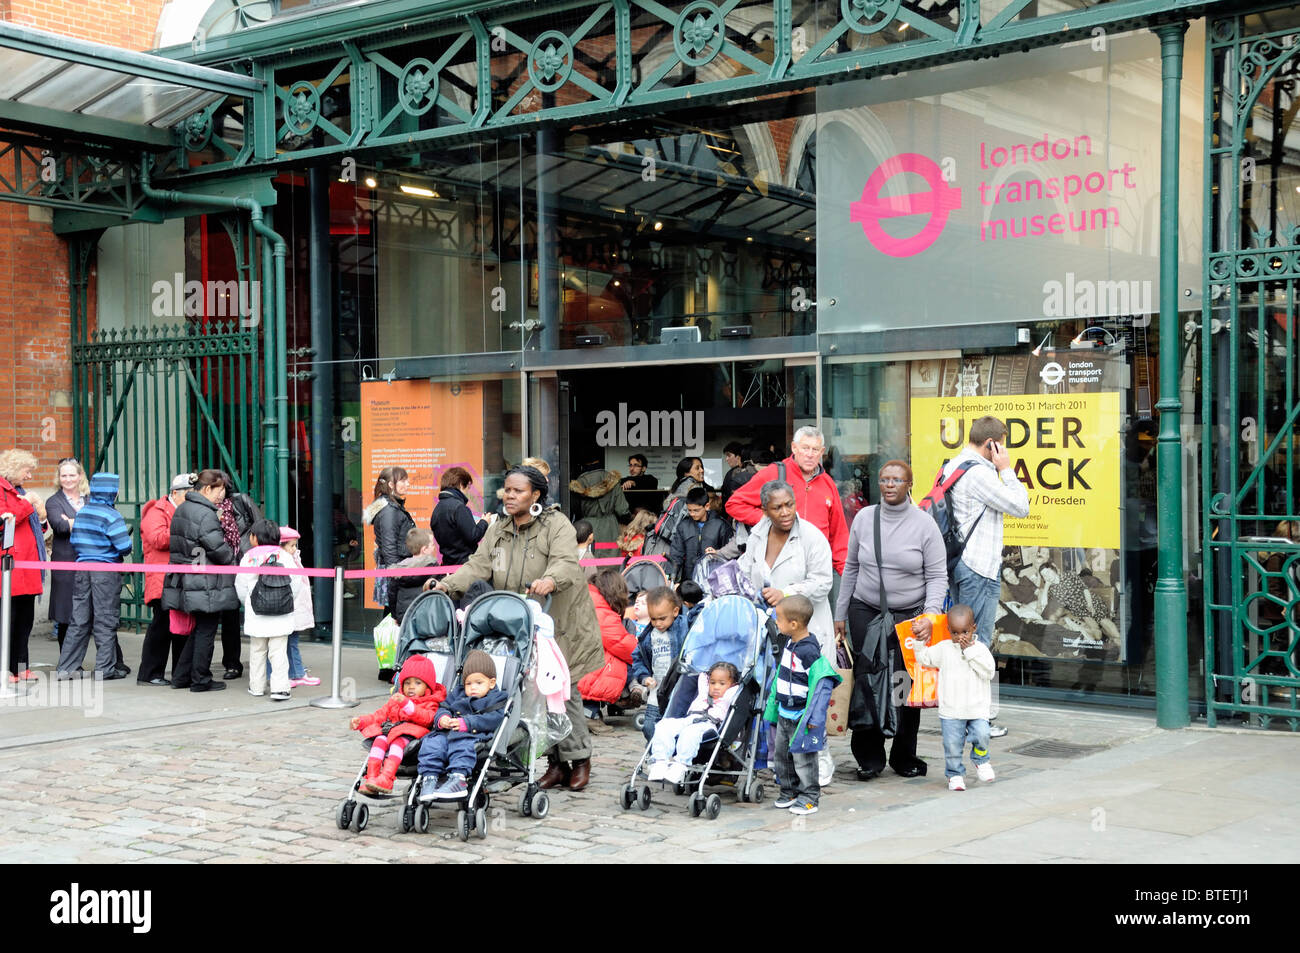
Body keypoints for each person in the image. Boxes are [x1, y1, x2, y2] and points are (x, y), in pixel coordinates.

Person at [432, 465, 602, 791]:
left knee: (561, 692)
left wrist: (550, 579)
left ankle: (579, 758)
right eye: (507, 490)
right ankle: (554, 763)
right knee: (529, 694)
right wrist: (447, 585)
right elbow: (478, 565)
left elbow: (566, 562)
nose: (509, 496)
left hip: (560, 624)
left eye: (517, 491)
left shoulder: (556, 525)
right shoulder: (498, 529)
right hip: (518, 624)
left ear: (536, 494)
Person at [834, 460, 947, 780]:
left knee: (905, 686)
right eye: (884, 479)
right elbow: (852, 567)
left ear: (910, 484)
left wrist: (930, 615)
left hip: (910, 617)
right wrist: (840, 612)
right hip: (865, 611)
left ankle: (903, 755)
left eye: (897, 479)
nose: (889, 485)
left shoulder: (925, 525)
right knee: (868, 682)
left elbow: (938, 576)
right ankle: (869, 758)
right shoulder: (865, 519)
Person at [944, 415, 1030, 738]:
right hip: (977, 568)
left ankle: (970, 718)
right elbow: (1020, 505)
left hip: (965, 565)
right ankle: (973, 722)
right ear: (992, 444)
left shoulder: (954, 464)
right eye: (1001, 445)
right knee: (974, 646)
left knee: (966, 643)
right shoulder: (979, 473)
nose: (1003, 451)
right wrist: (1005, 468)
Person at [725, 426, 849, 574]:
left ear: (822, 452)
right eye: (805, 448)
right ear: (794, 448)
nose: (809, 454)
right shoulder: (774, 473)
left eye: (815, 450)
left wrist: (847, 577)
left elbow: (839, 535)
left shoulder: (828, 483)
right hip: (778, 564)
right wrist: (769, 519)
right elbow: (734, 504)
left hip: (816, 568)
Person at [763, 595, 840, 816]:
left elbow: (820, 685)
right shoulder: (789, 642)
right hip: (785, 713)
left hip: (801, 717)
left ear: (794, 624)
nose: (777, 623)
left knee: (804, 758)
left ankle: (809, 797)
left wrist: (814, 719)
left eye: (779, 619)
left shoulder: (809, 652)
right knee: (782, 756)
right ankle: (790, 791)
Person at [163, 469, 238, 692]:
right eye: (220, 489)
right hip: (205, 580)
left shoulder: (183, 508)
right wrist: (233, 561)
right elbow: (218, 549)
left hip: (188, 577)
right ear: (207, 489)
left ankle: (181, 677)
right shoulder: (205, 514)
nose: (222, 495)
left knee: (198, 629)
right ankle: (200, 679)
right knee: (206, 630)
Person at [55, 472, 133, 679]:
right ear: (112, 492)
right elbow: (125, 547)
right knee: (105, 620)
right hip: (105, 571)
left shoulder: (82, 512)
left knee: (79, 620)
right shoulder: (111, 515)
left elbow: (74, 542)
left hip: (82, 569)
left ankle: (67, 668)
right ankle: (105, 669)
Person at [914, 604, 996, 791]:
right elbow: (924, 658)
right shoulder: (944, 648)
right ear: (948, 630)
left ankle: (981, 759)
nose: (960, 637)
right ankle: (955, 774)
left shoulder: (980, 649)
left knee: (983, 734)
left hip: (977, 707)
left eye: (965, 632)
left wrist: (969, 652)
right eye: (955, 633)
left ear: (973, 628)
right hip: (951, 709)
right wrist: (919, 641)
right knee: (952, 745)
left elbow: (989, 672)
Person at [416, 650, 510, 800]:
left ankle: (458, 778)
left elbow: (493, 719)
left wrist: (467, 723)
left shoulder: (496, 698)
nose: (473, 687)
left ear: (491, 683)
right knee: (431, 743)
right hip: (447, 731)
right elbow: (444, 707)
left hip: (472, 733)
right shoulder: (458, 693)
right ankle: (429, 778)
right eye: (468, 683)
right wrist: (442, 718)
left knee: (462, 745)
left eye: (479, 683)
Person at [351, 653, 446, 794]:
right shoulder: (396, 699)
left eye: (417, 683)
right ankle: (372, 778)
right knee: (379, 740)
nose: (411, 687)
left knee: (396, 743)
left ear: (428, 687)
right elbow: (380, 715)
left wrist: (407, 705)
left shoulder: (430, 702)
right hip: (392, 731)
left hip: (412, 736)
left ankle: (387, 778)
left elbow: (428, 718)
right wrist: (362, 721)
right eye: (407, 683)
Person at [235, 520, 306, 702]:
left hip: (256, 612)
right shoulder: (284, 556)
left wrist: (249, 603)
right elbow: (296, 583)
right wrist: (285, 600)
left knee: (257, 651)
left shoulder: (248, 557)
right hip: (281, 613)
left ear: (255, 538)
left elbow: (241, 585)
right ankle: (280, 689)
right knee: (279, 652)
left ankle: (257, 686)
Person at [138, 473, 194, 686]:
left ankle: (180, 673)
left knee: (181, 626)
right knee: (161, 628)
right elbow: (158, 539)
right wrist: (187, 533)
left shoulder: (182, 511)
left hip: (178, 579)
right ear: (174, 493)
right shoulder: (156, 511)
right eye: (188, 495)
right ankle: (150, 673)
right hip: (162, 580)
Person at [647, 661, 742, 782]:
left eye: (722, 683)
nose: (716, 687)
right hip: (689, 719)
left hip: (709, 725)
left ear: (731, 685)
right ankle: (660, 761)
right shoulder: (704, 692)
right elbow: (702, 675)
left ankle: (681, 764)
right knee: (663, 725)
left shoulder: (728, 696)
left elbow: (737, 687)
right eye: (713, 683)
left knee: (690, 732)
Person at [0, 449, 46, 682]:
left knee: (24, 621)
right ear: (14, 469)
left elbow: (34, 525)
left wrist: (41, 516)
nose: (29, 476)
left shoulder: (18, 491)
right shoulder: (3, 492)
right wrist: (28, 503)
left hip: (27, 566)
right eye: (27, 471)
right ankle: (4, 669)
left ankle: (21, 666)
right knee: (7, 621)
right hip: (9, 569)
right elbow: (6, 519)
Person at [215, 473, 262, 680]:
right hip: (224, 564)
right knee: (230, 614)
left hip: (247, 561)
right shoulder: (209, 508)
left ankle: (264, 660)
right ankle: (232, 663)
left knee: (259, 608)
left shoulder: (241, 501)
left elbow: (260, 526)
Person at [577, 569, 638, 723]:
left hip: (578, 663)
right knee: (626, 663)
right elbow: (623, 645)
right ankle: (589, 712)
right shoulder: (601, 611)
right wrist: (642, 655)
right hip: (585, 669)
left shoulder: (588, 600)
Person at [629, 586, 689, 741]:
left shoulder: (683, 627)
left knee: (674, 727)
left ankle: (669, 755)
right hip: (656, 690)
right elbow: (638, 659)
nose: (657, 623)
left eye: (662, 618)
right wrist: (644, 677)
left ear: (675, 612)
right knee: (649, 726)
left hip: (677, 690)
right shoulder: (648, 636)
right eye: (653, 618)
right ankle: (656, 753)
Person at [45, 457, 88, 650]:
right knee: (65, 614)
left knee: (91, 613)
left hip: (90, 559)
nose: (68, 479)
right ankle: (66, 661)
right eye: (64, 475)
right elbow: (60, 526)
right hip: (65, 562)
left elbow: (101, 523)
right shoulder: (53, 501)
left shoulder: (90, 498)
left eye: (72, 475)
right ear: (58, 477)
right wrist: (84, 521)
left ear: (80, 476)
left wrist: (72, 521)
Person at [364, 466, 416, 613]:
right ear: (391, 485)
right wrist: (396, 575)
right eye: (403, 480)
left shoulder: (391, 506)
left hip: (396, 568)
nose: (408, 484)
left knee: (393, 612)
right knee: (394, 614)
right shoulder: (389, 511)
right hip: (396, 570)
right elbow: (389, 546)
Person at [275, 526, 320, 687]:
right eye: (292, 545)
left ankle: (295, 672)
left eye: (295, 545)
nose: (295, 549)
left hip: (293, 608)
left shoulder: (293, 558)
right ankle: (295, 673)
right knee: (288, 643)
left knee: (290, 642)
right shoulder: (285, 561)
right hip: (290, 609)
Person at [667, 485, 731, 584]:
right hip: (689, 579)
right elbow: (676, 554)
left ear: (707, 506)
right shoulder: (683, 525)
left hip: (714, 579)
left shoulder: (720, 525)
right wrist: (671, 577)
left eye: (696, 510)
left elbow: (727, 553)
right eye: (690, 510)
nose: (692, 514)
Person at [430, 466, 490, 567]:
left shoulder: (437, 509)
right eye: (468, 488)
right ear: (462, 485)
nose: (468, 493)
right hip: (464, 565)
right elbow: (473, 536)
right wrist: (484, 522)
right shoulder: (459, 508)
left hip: (447, 564)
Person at [569, 458, 628, 547]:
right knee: (612, 559)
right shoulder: (612, 480)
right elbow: (622, 510)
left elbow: (575, 509)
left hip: (587, 529)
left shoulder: (579, 483)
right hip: (611, 528)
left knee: (590, 556)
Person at [387, 527, 440, 626]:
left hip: (404, 616)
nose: (434, 547)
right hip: (427, 616)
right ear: (424, 549)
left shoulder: (399, 570)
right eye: (432, 545)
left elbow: (392, 594)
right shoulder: (434, 568)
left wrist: (395, 616)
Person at [719, 442, 753, 510]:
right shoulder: (752, 472)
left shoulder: (732, 474)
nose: (726, 459)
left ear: (738, 457)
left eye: (729, 455)